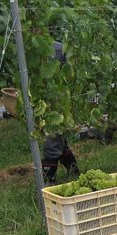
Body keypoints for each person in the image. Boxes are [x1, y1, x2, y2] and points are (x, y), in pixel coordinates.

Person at [41, 39, 80, 184]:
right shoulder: (28, 51)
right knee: (57, 141)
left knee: (52, 141)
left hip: (58, 101)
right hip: (44, 101)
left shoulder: (58, 50)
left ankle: (49, 183)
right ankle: (74, 170)